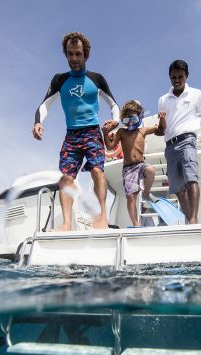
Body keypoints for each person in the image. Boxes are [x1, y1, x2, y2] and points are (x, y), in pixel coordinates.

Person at [32, 31, 119, 231]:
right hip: (72, 136)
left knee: (97, 171)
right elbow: (44, 105)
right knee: (66, 177)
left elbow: (114, 105)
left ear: (85, 54)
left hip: (92, 133)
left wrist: (115, 122)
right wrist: (38, 122)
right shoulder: (59, 80)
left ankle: (102, 219)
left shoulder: (97, 79)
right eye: (70, 54)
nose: (74, 59)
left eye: (78, 54)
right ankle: (66, 224)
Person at [156, 59, 201, 225]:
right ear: (169, 77)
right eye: (173, 77)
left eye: (180, 76)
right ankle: (190, 218)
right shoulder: (163, 100)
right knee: (177, 187)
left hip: (188, 140)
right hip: (170, 145)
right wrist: (160, 124)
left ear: (187, 76)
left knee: (191, 178)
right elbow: (161, 130)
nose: (177, 80)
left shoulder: (196, 94)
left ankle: (193, 219)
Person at [103, 100, 164, 226]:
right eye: (126, 120)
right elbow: (109, 147)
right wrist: (104, 133)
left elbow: (161, 130)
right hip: (128, 168)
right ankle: (136, 223)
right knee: (131, 197)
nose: (130, 123)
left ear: (139, 117)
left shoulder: (143, 131)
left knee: (151, 170)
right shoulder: (121, 132)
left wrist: (162, 119)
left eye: (134, 119)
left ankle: (146, 192)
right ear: (122, 120)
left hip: (141, 164)